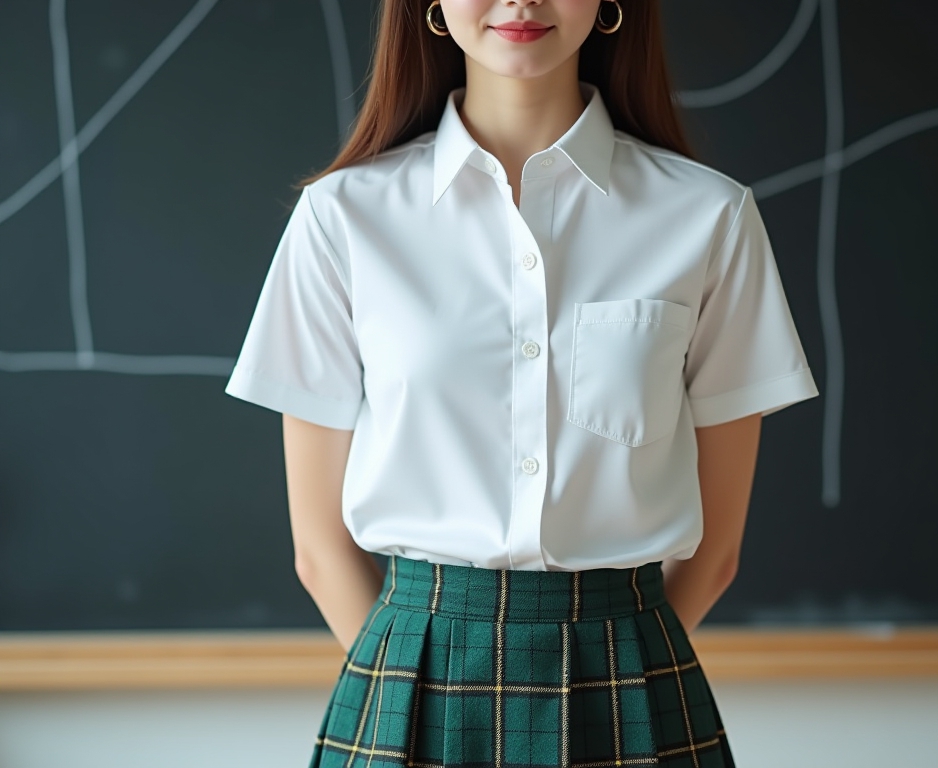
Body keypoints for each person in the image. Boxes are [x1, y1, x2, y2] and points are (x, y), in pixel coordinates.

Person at [225, 0, 819, 765]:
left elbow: (718, 553)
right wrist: (406, 674)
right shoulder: (341, 218)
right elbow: (318, 550)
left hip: (627, 673)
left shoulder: (709, 216)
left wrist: (623, 661)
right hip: (410, 676)